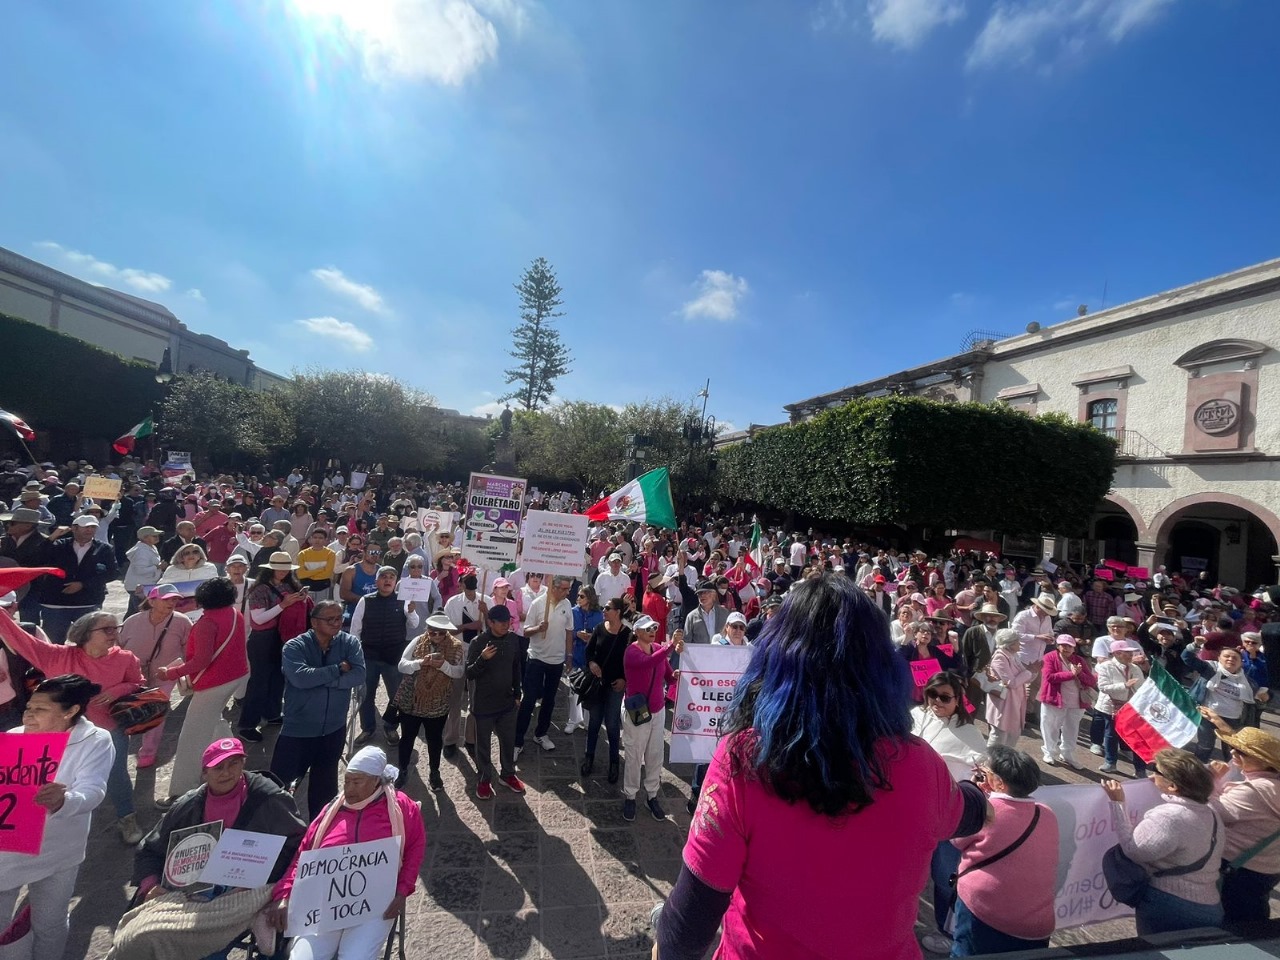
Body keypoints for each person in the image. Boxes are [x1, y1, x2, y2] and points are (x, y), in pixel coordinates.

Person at [654, 574, 989, 960]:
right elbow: (970, 813)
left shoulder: (741, 760)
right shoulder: (919, 762)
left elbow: (688, 925)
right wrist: (988, 795)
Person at [117, 737, 307, 960]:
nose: (226, 772)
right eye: (218, 767)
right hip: (194, 891)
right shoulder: (187, 806)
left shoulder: (269, 799)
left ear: (243, 764)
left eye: (234, 764)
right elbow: (150, 849)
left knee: (204, 949)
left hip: (251, 889)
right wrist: (150, 884)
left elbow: (299, 844)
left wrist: (271, 881)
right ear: (204, 774)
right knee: (139, 937)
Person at [266, 746, 426, 960]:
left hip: (375, 905)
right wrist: (284, 894)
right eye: (347, 781)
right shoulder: (331, 811)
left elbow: (415, 848)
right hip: (324, 903)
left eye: (357, 782)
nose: (349, 789)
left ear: (376, 781)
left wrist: (402, 891)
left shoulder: (402, 808)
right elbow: (304, 855)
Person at [0, 608, 144, 842]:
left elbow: (137, 682)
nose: (114, 633)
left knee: (116, 774)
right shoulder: (56, 656)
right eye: (106, 629)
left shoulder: (125, 658)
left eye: (116, 628)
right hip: (55, 734)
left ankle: (126, 817)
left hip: (108, 729)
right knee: (45, 777)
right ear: (86, 632)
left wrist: (117, 690)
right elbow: (19, 638)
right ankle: (33, 825)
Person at [0, 675, 113, 960]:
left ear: (71, 711)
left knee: (49, 922)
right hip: (9, 851)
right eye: (29, 707)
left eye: (40, 709)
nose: (28, 714)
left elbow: (93, 790)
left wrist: (65, 800)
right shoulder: (13, 738)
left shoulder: (95, 741)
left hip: (60, 849)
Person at [1102, 748, 1225, 935]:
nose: (1152, 776)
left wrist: (1118, 804)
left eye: (1156, 771)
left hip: (1170, 906)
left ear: (1173, 786)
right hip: (1209, 905)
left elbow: (1133, 850)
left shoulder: (1169, 817)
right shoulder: (1211, 812)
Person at [951, 747, 1060, 956]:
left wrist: (976, 794)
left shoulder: (987, 810)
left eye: (985, 772)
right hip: (1036, 924)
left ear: (999, 783)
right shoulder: (1046, 813)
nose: (981, 774)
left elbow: (956, 840)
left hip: (986, 914)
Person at [912, 671, 989, 955]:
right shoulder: (915, 716)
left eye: (945, 697)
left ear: (958, 699)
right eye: (932, 694)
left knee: (945, 874)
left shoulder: (969, 733)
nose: (937, 702)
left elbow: (982, 770)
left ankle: (946, 930)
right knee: (909, 871)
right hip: (912, 811)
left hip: (946, 815)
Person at [158, 577, 251, 801]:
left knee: (191, 738)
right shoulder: (234, 613)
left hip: (213, 684)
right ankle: (236, 759)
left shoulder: (207, 623)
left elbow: (201, 661)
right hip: (236, 676)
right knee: (215, 725)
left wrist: (169, 673)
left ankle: (182, 791)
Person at [270, 599, 366, 817]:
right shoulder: (294, 646)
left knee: (325, 793)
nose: (336, 623)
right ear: (314, 622)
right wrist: (337, 670)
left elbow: (359, 674)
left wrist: (324, 679)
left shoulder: (350, 643)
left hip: (333, 730)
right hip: (297, 731)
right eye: (329, 619)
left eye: (339, 618)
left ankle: (320, 835)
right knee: (280, 791)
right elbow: (300, 678)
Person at [1198, 722, 1280, 922]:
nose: (1233, 751)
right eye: (1234, 747)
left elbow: (1210, 812)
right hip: (1268, 866)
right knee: (1253, 912)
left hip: (1237, 868)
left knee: (1235, 922)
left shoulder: (1252, 791)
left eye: (1242, 751)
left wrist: (1213, 780)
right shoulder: (1273, 785)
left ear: (1262, 760)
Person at [118, 583, 193, 769]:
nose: (172, 603)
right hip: (133, 678)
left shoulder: (182, 622)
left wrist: (183, 672)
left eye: (175, 599)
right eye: (167, 599)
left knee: (155, 713)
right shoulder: (132, 621)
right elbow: (118, 648)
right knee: (125, 713)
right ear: (152, 601)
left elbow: (189, 651)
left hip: (165, 678)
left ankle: (148, 753)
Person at [240, 551, 311, 742]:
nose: (282, 571)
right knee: (259, 682)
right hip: (262, 639)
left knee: (278, 678)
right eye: (279, 568)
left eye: (285, 568)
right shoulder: (259, 590)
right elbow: (258, 618)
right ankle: (247, 724)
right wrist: (284, 605)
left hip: (283, 637)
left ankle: (272, 713)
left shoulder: (290, 585)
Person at [394, 612, 465, 791]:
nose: (437, 636)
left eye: (441, 633)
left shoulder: (456, 647)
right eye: (433, 632)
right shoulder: (418, 641)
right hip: (412, 700)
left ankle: (434, 772)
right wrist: (420, 663)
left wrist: (443, 666)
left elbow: (458, 672)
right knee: (407, 737)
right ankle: (402, 769)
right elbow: (402, 664)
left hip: (438, 701)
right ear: (428, 630)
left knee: (434, 740)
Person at [622, 615, 682, 822]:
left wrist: (675, 676)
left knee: (655, 755)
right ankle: (630, 795)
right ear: (637, 632)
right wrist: (670, 646)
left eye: (654, 627)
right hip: (637, 711)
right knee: (634, 755)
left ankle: (652, 795)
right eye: (647, 628)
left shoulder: (657, 648)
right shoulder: (631, 652)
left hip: (657, 711)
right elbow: (648, 663)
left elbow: (666, 674)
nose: (652, 631)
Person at [350, 566, 418, 747]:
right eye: (384, 577)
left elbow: (414, 624)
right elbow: (355, 629)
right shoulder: (365, 600)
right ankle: (368, 728)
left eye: (391, 577)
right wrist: (355, 655)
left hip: (393, 657)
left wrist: (411, 611)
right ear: (376, 581)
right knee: (365, 695)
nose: (387, 580)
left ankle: (390, 727)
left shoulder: (403, 601)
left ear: (396, 582)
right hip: (369, 656)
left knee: (395, 695)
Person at [465, 604, 525, 799]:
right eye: (501, 623)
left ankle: (507, 774)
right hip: (483, 705)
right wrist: (482, 659)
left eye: (508, 622)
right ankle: (484, 779)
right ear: (490, 622)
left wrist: (517, 692)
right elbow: (469, 673)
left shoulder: (513, 640)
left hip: (507, 703)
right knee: (482, 746)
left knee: (508, 742)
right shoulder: (478, 642)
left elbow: (516, 667)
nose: (505, 625)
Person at [515, 574, 573, 758]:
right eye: (564, 588)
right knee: (529, 699)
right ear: (553, 588)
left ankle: (541, 734)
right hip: (537, 659)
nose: (567, 592)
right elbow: (525, 632)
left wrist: (569, 656)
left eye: (568, 589)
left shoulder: (567, 605)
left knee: (550, 700)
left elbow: (569, 632)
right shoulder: (538, 604)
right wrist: (538, 628)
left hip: (556, 661)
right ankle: (517, 741)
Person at [40, 513, 120, 643]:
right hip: (56, 602)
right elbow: (38, 558)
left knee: (88, 642)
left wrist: (83, 584)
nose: (90, 530)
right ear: (74, 528)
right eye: (85, 527)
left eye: (93, 527)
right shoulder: (59, 545)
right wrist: (52, 538)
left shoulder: (104, 549)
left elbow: (113, 573)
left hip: (87, 602)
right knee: (53, 643)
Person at [582, 597, 632, 782]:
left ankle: (614, 763)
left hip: (615, 686)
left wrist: (624, 680)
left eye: (608, 608)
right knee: (594, 723)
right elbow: (588, 651)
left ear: (618, 611)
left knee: (612, 725)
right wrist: (592, 663)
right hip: (598, 684)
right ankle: (589, 757)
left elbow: (631, 662)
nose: (604, 610)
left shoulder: (628, 634)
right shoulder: (599, 628)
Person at [1185, 641, 1257, 761]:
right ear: (1219, 658)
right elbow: (1187, 658)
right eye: (1226, 656)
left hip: (1233, 719)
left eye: (1235, 658)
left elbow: (1261, 693)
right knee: (1205, 746)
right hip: (1208, 716)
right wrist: (1194, 645)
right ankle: (1198, 771)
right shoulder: (1210, 669)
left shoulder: (1246, 681)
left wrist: (1266, 696)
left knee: (1232, 750)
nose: (1230, 659)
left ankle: (1232, 775)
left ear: (1240, 663)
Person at [1038, 635, 1098, 769]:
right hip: (1054, 699)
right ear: (1058, 646)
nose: (1066, 648)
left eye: (1069, 646)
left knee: (1072, 728)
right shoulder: (1050, 657)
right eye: (1063, 645)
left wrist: (1079, 673)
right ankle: (1049, 752)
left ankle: (1067, 753)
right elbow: (1049, 677)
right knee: (1050, 726)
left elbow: (1091, 681)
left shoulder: (1079, 660)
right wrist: (1071, 674)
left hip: (1076, 702)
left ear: (1074, 648)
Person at [1096, 638, 1150, 776]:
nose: (1131, 655)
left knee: (1137, 739)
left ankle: (1140, 770)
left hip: (1132, 708)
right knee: (1111, 735)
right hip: (1111, 707)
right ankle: (1110, 762)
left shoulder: (1135, 668)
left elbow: (1142, 688)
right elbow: (1103, 687)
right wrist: (1124, 686)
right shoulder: (1105, 667)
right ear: (1117, 653)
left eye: (1131, 653)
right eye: (1127, 653)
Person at [983, 628, 1033, 749]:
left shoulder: (1013, 655)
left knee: (1013, 735)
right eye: (1017, 641)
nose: (1019, 644)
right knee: (999, 737)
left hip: (1015, 702)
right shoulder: (999, 658)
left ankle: (1005, 763)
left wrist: (1028, 673)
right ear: (1009, 644)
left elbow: (1025, 675)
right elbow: (1011, 682)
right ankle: (989, 762)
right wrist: (1028, 673)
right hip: (1003, 704)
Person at [567, 584, 603, 734]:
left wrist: (592, 637)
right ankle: (573, 720)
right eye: (578, 596)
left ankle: (588, 721)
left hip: (592, 657)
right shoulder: (573, 612)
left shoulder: (599, 614)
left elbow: (601, 632)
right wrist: (577, 635)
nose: (578, 598)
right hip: (577, 654)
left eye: (582, 596)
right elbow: (568, 632)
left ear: (590, 598)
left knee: (591, 689)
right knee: (573, 690)